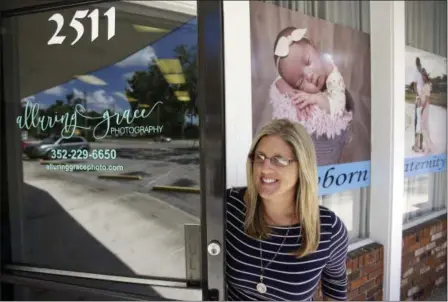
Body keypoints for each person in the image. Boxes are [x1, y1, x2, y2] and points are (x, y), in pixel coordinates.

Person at [226, 119, 349, 301]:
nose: (265, 168)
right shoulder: (229, 207)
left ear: (302, 167)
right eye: (259, 157)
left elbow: (336, 289)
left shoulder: (327, 229)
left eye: (279, 160)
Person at [269, 27, 353, 165]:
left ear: (314, 47)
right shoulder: (292, 74)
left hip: (334, 98)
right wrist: (291, 92)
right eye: (301, 81)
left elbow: (338, 105)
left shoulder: (329, 68)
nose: (309, 75)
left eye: (308, 61)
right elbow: (279, 81)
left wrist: (316, 98)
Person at [419, 68, 435, 154]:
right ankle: (430, 146)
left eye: (423, 76)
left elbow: (427, 98)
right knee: (426, 126)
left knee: (423, 126)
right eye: (421, 76)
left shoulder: (427, 85)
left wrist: (423, 108)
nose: (422, 77)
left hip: (425, 107)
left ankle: (428, 147)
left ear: (425, 76)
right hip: (425, 106)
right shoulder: (426, 84)